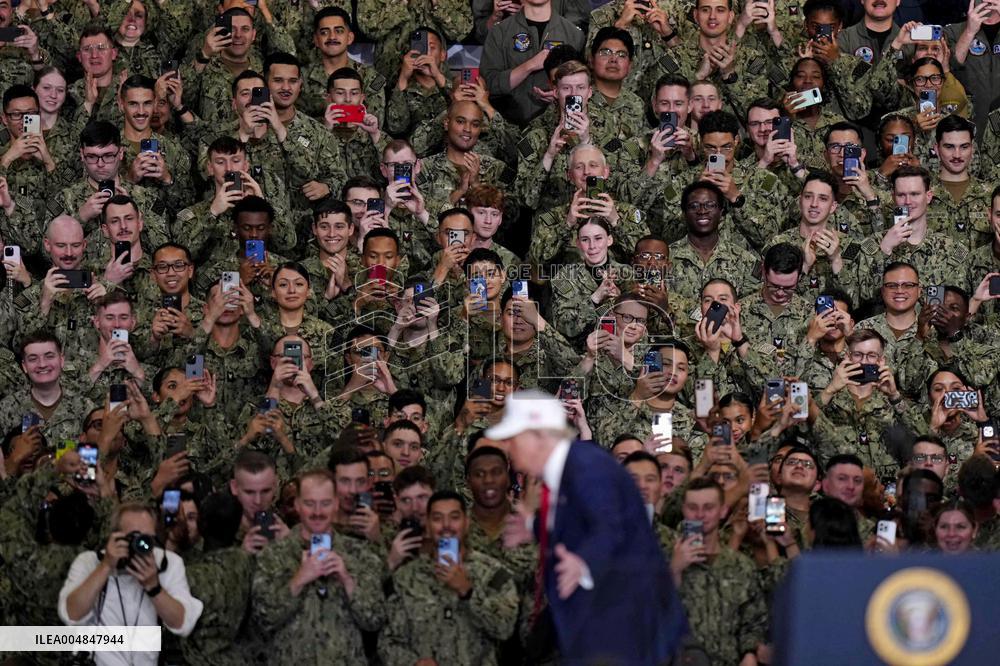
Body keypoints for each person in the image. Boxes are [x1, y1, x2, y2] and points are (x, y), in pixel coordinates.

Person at [493, 389, 687, 664]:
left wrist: (583, 561)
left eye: (513, 438)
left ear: (536, 437)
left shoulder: (585, 466)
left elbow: (611, 526)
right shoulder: (566, 468)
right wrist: (534, 525)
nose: (508, 447)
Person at [250, 470, 386, 663]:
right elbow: (262, 620)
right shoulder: (273, 555)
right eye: (309, 503)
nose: (317, 512)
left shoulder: (359, 553)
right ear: (297, 505)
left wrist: (347, 580)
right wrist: (298, 580)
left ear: (336, 504)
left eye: (325, 503)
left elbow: (375, 620)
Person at [379, 490, 519, 665]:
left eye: (454, 517)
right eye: (437, 518)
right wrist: (413, 663)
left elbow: (504, 629)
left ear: (466, 523)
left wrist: (468, 591)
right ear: (428, 526)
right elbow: (388, 642)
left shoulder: (493, 574)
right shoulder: (405, 578)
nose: (446, 525)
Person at [58, 503, 204, 664]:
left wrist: (154, 587)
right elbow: (71, 614)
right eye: (133, 537)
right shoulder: (89, 562)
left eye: (146, 538)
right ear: (115, 537)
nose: (140, 544)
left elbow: (182, 624)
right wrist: (106, 566)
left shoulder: (167, 563)